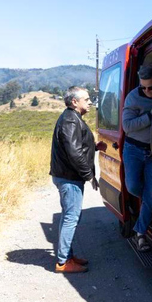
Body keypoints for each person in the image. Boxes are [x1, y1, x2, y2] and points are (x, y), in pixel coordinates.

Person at [50, 86, 107, 273]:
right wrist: (89, 176)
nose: (90, 102)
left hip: (68, 176)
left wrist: (94, 146)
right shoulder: (70, 121)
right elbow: (74, 153)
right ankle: (63, 261)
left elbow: (76, 146)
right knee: (70, 218)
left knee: (69, 216)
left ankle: (67, 255)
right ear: (74, 102)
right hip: (69, 178)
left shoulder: (71, 118)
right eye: (86, 99)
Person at [122, 64, 152, 252]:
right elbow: (127, 126)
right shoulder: (133, 97)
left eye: (151, 87)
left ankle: (140, 233)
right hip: (133, 149)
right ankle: (149, 206)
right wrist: (150, 117)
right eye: (143, 87)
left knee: (151, 196)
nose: (147, 91)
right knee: (133, 187)